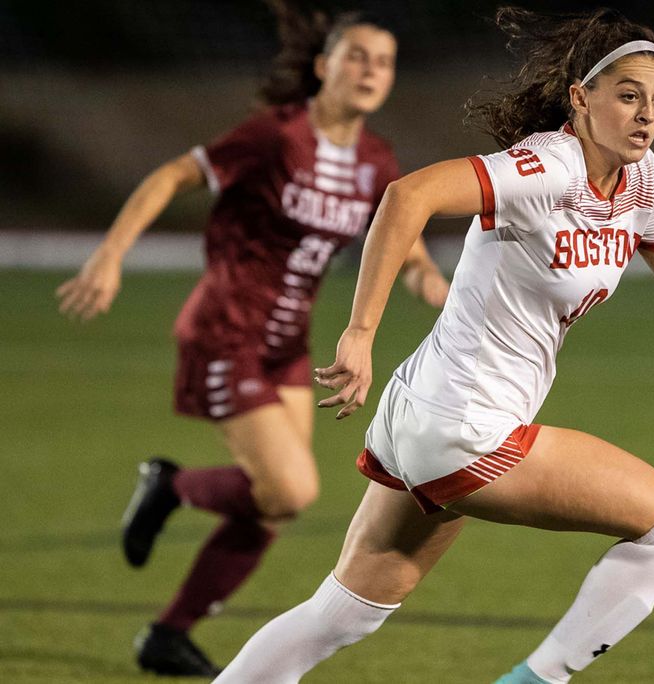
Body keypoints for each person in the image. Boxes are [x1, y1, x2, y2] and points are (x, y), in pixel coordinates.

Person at [213, 7, 654, 683]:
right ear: (581, 97)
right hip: (464, 428)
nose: (646, 115)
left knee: (343, 613)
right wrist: (360, 332)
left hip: (426, 417)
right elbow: (406, 196)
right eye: (628, 95)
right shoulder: (549, 165)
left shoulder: (640, 182)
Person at [56, 3, 448, 677]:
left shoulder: (376, 160)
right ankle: (172, 486)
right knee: (290, 490)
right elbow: (174, 175)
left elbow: (400, 239)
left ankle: (168, 635)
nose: (369, 71)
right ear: (323, 67)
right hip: (224, 334)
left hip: (285, 345)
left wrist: (431, 281)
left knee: (270, 506)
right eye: (355, 56)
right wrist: (111, 253)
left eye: (382, 62)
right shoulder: (276, 136)